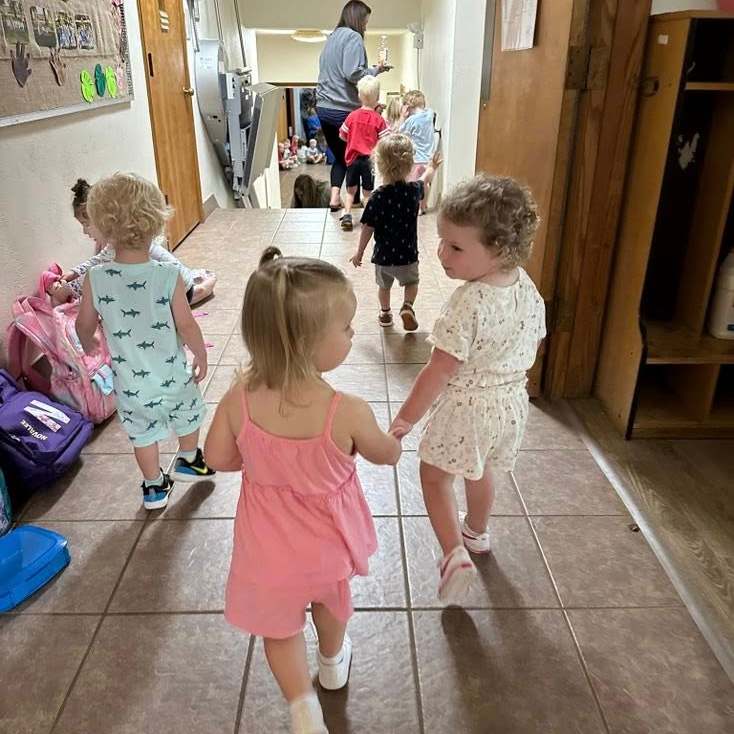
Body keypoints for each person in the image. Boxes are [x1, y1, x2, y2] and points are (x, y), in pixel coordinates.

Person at [204, 247, 401, 734]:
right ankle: (332, 663)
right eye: (346, 328)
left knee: (279, 627)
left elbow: (217, 457)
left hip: (267, 548)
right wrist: (394, 439)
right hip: (327, 544)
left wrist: (258, 465)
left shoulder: (238, 399)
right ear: (305, 343)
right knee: (330, 603)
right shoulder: (346, 410)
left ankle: (301, 705)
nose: (352, 334)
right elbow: (385, 455)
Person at [389, 175, 546, 605]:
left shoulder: (468, 303)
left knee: (435, 477)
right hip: (510, 405)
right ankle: (476, 532)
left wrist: (405, 418)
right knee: (482, 469)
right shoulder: (526, 287)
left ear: (500, 250)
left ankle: (453, 554)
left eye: (456, 247)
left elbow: (438, 371)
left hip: (468, 409)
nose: (442, 253)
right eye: (442, 241)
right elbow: (533, 341)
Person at [75, 173, 215, 510]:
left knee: (143, 434)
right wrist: (200, 355)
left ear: (102, 228)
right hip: (172, 375)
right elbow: (186, 324)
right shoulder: (168, 275)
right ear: (156, 223)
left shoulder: (96, 277)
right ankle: (188, 458)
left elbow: (84, 325)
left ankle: (154, 487)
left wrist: (88, 342)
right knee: (188, 412)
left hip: (130, 383)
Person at [49, 179, 215, 305]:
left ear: (105, 221)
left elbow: (94, 276)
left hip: (176, 292)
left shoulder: (124, 248)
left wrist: (67, 290)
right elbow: (98, 261)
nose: (84, 232)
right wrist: (74, 272)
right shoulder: (116, 243)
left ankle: (199, 290)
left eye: (86, 225)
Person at [349, 134, 441, 331]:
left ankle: (385, 313)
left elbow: (367, 228)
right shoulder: (413, 191)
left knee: (384, 287)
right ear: (409, 165)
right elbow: (425, 179)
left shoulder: (377, 197)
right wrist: (432, 167)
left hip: (384, 257)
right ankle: (407, 306)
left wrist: (360, 252)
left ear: (379, 165)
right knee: (412, 282)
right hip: (408, 255)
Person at [316, 1, 390, 212]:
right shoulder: (353, 37)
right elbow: (353, 73)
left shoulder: (332, 37)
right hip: (342, 108)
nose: (365, 26)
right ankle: (355, 204)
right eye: (365, 21)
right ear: (357, 19)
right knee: (358, 158)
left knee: (341, 156)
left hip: (323, 107)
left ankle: (334, 199)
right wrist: (376, 70)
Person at [337, 75, 389, 231]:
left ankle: (347, 214)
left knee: (350, 191)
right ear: (377, 97)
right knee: (367, 192)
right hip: (369, 161)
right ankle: (368, 218)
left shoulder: (352, 116)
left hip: (352, 160)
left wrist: (353, 140)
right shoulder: (378, 119)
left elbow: (342, 135)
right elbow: (385, 140)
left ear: (359, 95)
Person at [399, 90, 437, 214]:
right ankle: (423, 206)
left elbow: (400, 134)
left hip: (416, 159)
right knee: (426, 184)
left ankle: (415, 207)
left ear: (408, 107)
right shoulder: (429, 115)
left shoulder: (411, 120)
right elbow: (430, 111)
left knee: (414, 184)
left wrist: (403, 117)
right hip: (429, 159)